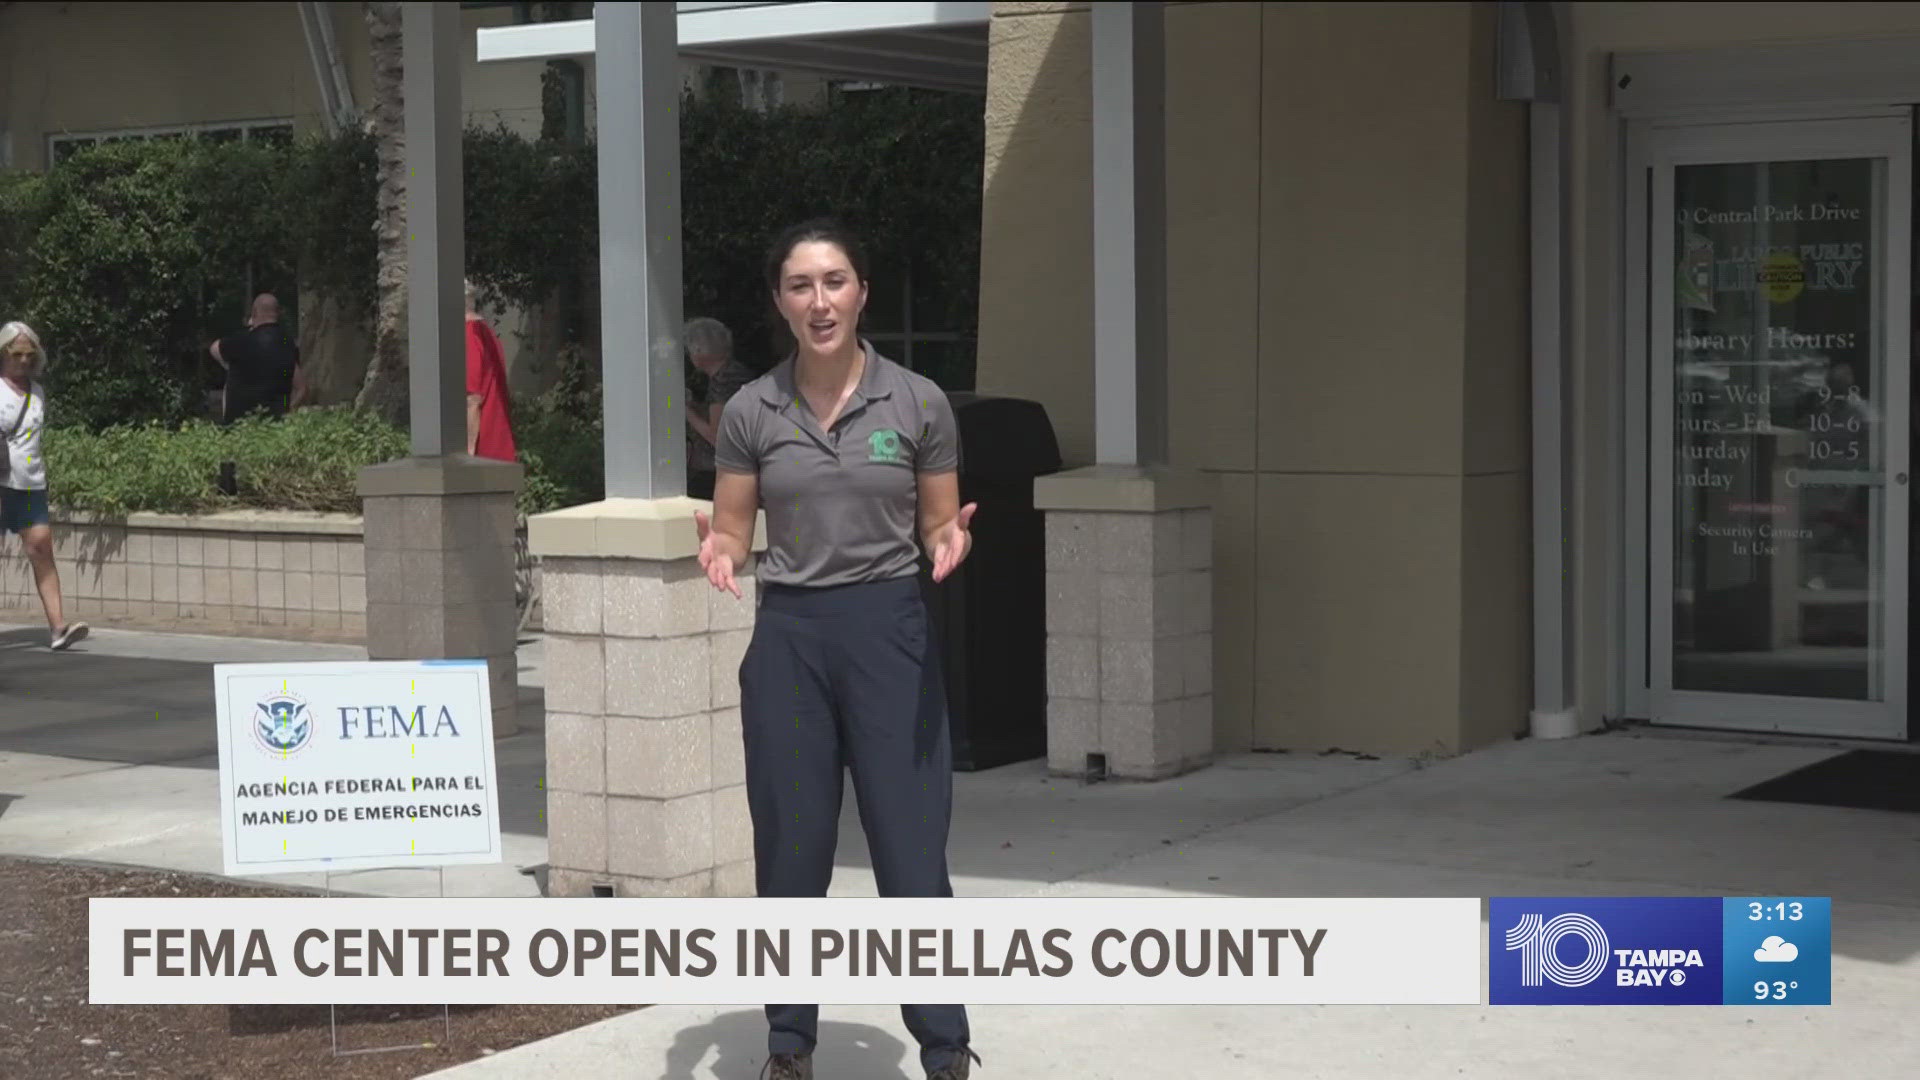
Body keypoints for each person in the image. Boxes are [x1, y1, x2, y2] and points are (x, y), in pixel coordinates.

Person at [694, 220, 982, 1080]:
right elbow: (739, 530)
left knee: (910, 845)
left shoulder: (919, 402)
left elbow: (937, 518)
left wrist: (948, 542)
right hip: (791, 636)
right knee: (791, 846)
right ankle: (789, 1042)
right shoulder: (753, 409)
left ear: (860, 293)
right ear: (780, 301)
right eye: (800, 285)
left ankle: (942, 1043)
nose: (819, 301)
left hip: (889, 628)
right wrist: (721, 552)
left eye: (835, 281)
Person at [1, 321, 89, 651]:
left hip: (29, 484)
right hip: (1, 483)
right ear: (3, 353)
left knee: (41, 548)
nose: (23, 359)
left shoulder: (37, 391)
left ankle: (58, 628)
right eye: (16, 353)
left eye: (29, 353)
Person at [209, 293, 305, 495]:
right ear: (277, 314)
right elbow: (301, 387)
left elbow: (214, 348)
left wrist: (230, 365)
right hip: (273, 427)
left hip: (238, 428)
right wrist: (289, 410)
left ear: (254, 314)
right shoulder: (288, 345)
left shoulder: (243, 341)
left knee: (230, 485)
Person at [682, 315, 756, 500]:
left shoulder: (724, 381)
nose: (690, 355)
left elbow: (717, 437)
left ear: (700, 350)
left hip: (721, 473)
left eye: (690, 349)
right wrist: (695, 406)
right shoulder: (733, 373)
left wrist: (684, 410)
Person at [464, 279, 517, 462]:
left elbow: (472, 399)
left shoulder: (470, 334)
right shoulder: (485, 331)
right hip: (498, 448)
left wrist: (469, 450)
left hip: (483, 455)